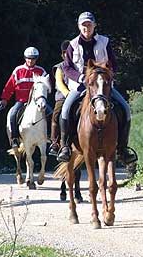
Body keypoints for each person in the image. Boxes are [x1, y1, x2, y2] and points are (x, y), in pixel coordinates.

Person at [57, 11, 137, 165]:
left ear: (94, 25)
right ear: (79, 26)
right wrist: (81, 78)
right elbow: (67, 67)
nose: (87, 27)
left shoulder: (105, 42)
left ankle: (122, 148)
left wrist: (107, 75)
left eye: (89, 24)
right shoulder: (72, 45)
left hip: (101, 85)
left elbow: (113, 63)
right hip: (80, 86)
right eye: (84, 24)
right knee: (65, 110)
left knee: (125, 108)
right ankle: (65, 147)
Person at [0, 46, 47, 148]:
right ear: (25, 58)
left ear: (36, 59)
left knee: (51, 113)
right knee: (12, 115)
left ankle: (51, 138)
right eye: (28, 58)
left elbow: (47, 86)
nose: (30, 61)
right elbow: (10, 86)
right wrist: (4, 99)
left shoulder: (41, 71)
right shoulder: (18, 70)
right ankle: (15, 138)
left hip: (37, 101)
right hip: (21, 100)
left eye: (33, 58)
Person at [49, 40, 71, 156]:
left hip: (78, 94)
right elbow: (60, 83)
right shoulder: (59, 67)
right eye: (65, 53)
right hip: (63, 96)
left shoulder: (79, 66)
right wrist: (68, 94)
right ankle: (54, 142)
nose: (68, 54)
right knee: (56, 115)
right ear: (63, 54)